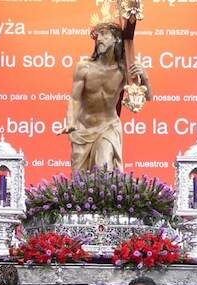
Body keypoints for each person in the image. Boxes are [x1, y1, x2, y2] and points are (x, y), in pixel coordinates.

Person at [62, 21, 151, 174]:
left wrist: (145, 79)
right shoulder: (84, 67)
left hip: (108, 126)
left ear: (116, 39)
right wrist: (71, 122)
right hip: (84, 127)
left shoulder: (124, 69)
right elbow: (75, 99)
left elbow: (148, 97)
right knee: (79, 179)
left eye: (104, 34)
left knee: (104, 170)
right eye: (97, 35)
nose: (99, 39)